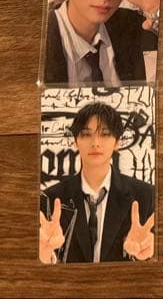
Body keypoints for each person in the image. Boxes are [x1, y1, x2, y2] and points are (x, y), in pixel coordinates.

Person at [39, 102, 155, 263]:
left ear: (117, 142)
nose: (95, 143)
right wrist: (45, 254)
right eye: (86, 134)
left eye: (105, 134)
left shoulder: (146, 196)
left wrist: (141, 256)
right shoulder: (49, 198)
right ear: (75, 141)